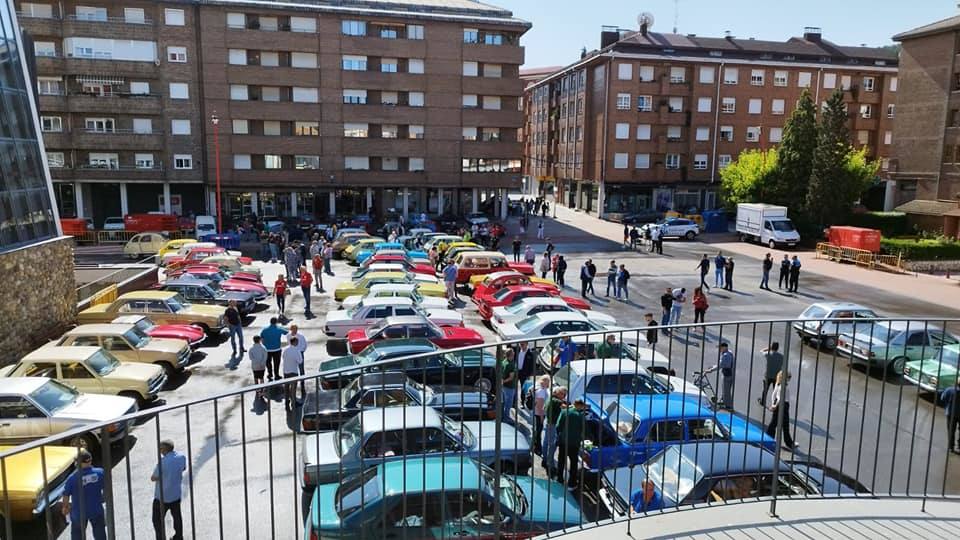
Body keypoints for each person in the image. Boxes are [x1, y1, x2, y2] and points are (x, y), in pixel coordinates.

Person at [62, 449, 106, 540]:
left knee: (77, 535)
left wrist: (65, 507)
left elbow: (66, 495)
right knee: (100, 534)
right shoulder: (100, 473)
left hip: (79, 512)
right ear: (90, 460)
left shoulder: (72, 479)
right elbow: (106, 488)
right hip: (96, 509)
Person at [151, 439, 187, 540]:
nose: (159, 451)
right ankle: (179, 536)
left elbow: (153, 478)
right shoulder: (181, 457)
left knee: (157, 520)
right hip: (175, 494)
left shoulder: (162, 462)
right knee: (177, 517)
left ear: (164, 449)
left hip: (162, 497)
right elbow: (183, 468)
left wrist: (163, 476)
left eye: (160, 448)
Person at [556, 398, 587, 489]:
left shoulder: (564, 412)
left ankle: (559, 479)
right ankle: (572, 483)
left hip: (563, 441)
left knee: (561, 461)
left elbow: (558, 426)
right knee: (573, 463)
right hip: (574, 443)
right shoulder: (580, 416)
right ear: (580, 405)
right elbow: (584, 430)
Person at [765, 371, 795, 449]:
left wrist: (773, 404)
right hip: (783, 405)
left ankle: (769, 438)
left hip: (778, 404)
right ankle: (789, 443)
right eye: (789, 377)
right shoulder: (783, 386)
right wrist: (775, 405)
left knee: (774, 423)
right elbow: (780, 398)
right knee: (785, 425)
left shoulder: (778, 384)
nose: (789, 379)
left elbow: (773, 394)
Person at [542, 387, 568, 474]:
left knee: (546, 442)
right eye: (563, 394)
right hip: (552, 424)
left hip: (548, 422)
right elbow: (565, 407)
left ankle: (544, 459)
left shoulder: (550, 398)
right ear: (558, 393)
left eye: (565, 395)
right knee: (552, 445)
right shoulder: (556, 401)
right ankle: (550, 465)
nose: (564, 396)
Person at [708, 342, 736, 409]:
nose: (719, 350)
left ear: (724, 347)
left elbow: (721, 365)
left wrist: (711, 370)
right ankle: (724, 402)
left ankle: (728, 406)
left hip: (727, 375)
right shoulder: (729, 352)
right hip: (730, 374)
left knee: (726, 391)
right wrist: (713, 366)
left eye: (720, 348)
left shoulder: (726, 355)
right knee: (725, 390)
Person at [260, 318, 288, 382]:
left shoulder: (264, 330)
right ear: (276, 322)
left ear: (270, 322)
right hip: (277, 349)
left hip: (267, 350)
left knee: (268, 363)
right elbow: (286, 332)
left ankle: (270, 374)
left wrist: (264, 344)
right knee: (276, 363)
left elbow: (261, 338)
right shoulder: (279, 329)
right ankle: (276, 375)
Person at [758, 342, 784, 408]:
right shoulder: (781, 356)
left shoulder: (768, 354)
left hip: (768, 375)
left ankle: (763, 402)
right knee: (775, 391)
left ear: (771, 347)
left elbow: (761, 351)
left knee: (765, 390)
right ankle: (775, 404)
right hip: (777, 377)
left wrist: (768, 348)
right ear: (778, 348)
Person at [281, 336, 302, 408]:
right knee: (293, 388)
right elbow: (300, 361)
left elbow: (283, 357)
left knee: (286, 388)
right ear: (295, 342)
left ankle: (287, 402)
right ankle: (294, 402)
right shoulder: (297, 350)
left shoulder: (285, 349)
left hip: (286, 371)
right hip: (293, 371)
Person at [287, 324, 308, 396]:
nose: (294, 330)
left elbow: (305, 345)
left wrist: (301, 351)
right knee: (292, 368)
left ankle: (302, 382)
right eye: (293, 329)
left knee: (301, 368)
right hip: (292, 353)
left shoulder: (301, 337)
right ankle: (293, 381)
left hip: (299, 353)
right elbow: (289, 344)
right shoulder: (288, 336)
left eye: (295, 329)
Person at [499, 349, 518, 423]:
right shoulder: (510, 364)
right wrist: (504, 381)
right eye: (513, 353)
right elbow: (511, 377)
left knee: (503, 402)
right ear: (511, 355)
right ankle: (506, 418)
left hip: (503, 386)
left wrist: (502, 382)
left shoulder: (504, 361)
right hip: (509, 387)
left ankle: (502, 416)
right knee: (508, 404)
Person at [534, 375, 551, 455]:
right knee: (539, 431)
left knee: (537, 430)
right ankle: (538, 448)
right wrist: (541, 417)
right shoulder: (541, 391)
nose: (549, 383)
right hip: (539, 414)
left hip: (538, 413)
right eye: (548, 381)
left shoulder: (541, 389)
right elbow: (540, 406)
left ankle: (535, 445)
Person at [941, 380, 960, 454]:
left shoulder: (949, 390)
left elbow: (942, 398)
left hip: (950, 413)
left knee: (951, 430)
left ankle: (951, 447)